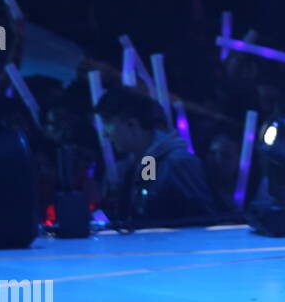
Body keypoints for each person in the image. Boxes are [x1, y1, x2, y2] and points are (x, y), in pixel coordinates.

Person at [93, 86, 217, 224]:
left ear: (131, 124)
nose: (105, 133)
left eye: (107, 123)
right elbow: (144, 208)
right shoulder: (147, 161)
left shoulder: (177, 163)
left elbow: (203, 221)